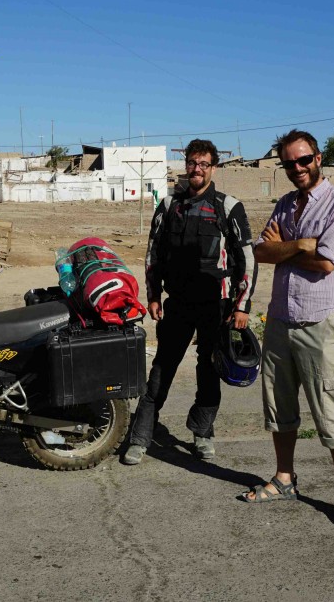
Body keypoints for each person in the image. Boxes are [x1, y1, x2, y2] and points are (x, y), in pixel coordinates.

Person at [238, 129, 334, 531]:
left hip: (318, 320)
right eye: (289, 163)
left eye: (304, 160)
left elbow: (327, 262)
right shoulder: (285, 204)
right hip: (279, 319)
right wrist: (301, 245)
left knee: (332, 411)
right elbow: (260, 251)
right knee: (280, 407)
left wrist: (287, 249)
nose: (297, 168)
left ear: (318, 158)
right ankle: (284, 478)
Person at [123, 139, 256, 465]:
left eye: (204, 164)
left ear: (213, 168)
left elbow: (247, 261)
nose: (197, 169)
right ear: (186, 164)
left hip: (218, 306)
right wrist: (153, 295)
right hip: (178, 304)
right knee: (161, 372)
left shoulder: (228, 207)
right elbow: (153, 254)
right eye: (192, 163)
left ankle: (202, 433)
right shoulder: (169, 205)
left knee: (209, 371)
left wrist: (242, 306)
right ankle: (140, 438)